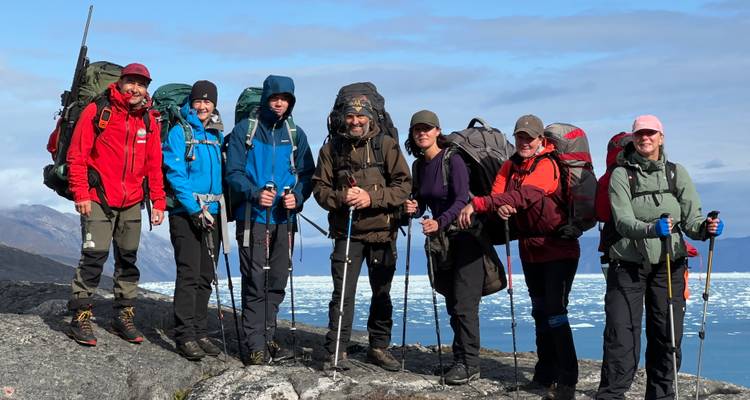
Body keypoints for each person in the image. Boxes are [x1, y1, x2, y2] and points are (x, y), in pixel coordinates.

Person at [595, 115, 724, 400]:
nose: (645, 138)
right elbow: (623, 221)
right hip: (627, 265)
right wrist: (652, 228)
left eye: (651, 133)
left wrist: (706, 228)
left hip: (669, 264)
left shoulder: (677, 173)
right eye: (640, 134)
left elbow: (692, 221)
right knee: (621, 337)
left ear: (661, 137)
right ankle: (611, 395)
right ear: (633, 137)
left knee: (667, 337)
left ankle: (662, 396)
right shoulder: (621, 174)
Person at [459, 114, 579, 400]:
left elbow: (526, 196)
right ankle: (544, 375)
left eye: (530, 137)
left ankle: (567, 381)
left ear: (541, 140)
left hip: (558, 248)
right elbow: (500, 195)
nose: (524, 142)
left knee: (555, 313)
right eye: (520, 137)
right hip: (530, 250)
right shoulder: (509, 165)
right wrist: (498, 208)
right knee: (540, 312)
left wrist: (479, 204)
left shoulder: (547, 165)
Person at [66, 63, 166, 346]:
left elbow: (153, 165)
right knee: (94, 257)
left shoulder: (148, 120)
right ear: (120, 82)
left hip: (133, 200)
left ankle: (123, 316)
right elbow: (77, 154)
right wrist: (81, 193)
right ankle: (81, 317)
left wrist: (158, 201)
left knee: (128, 259)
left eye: (141, 84)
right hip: (98, 196)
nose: (135, 88)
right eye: (131, 82)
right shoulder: (99, 111)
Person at [312, 92, 411, 372]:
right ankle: (337, 351)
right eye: (351, 116)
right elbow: (320, 190)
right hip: (347, 233)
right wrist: (343, 197)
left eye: (361, 116)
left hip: (382, 232)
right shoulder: (332, 149)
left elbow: (404, 186)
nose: (356, 121)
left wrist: (371, 198)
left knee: (381, 292)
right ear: (343, 118)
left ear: (370, 117)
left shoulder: (387, 146)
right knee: (342, 294)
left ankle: (378, 348)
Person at [225, 75, 315, 365]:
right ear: (265, 99)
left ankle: (267, 335)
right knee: (255, 279)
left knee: (277, 278)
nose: (279, 103)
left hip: (284, 218)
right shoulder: (245, 131)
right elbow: (233, 173)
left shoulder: (295, 134)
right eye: (275, 98)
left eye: (285, 99)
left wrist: (298, 198)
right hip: (253, 217)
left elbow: (307, 174)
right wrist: (254, 193)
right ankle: (255, 345)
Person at [403, 110, 483, 384]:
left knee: (464, 304)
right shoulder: (418, 166)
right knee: (452, 301)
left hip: (467, 238)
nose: (422, 133)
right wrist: (413, 209)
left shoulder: (453, 160)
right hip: (443, 242)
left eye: (427, 128)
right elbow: (423, 202)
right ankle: (460, 360)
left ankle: (469, 363)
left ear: (438, 131)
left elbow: (461, 200)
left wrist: (439, 222)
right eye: (417, 130)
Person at [162, 80, 225, 360]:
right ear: (191, 102)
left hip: (213, 212)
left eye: (208, 102)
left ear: (214, 104)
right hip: (187, 214)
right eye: (198, 101)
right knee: (189, 273)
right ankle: (185, 335)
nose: (202, 106)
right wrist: (194, 209)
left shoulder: (215, 135)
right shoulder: (179, 132)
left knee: (206, 276)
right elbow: (175, 174)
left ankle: (200, 332)